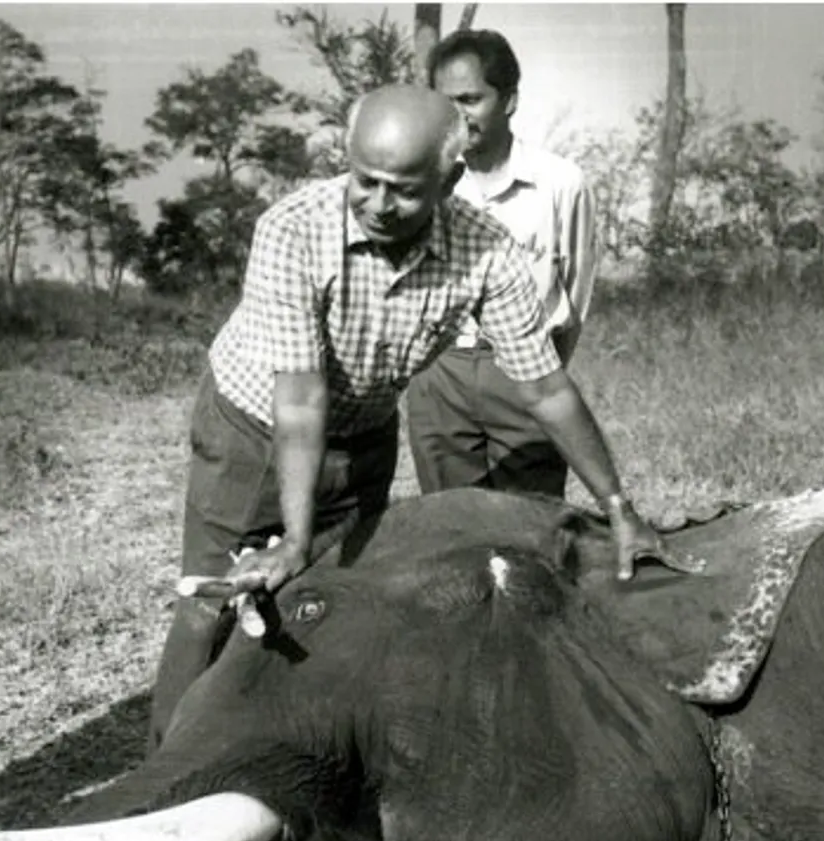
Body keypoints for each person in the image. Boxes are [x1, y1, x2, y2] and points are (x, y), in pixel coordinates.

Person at [147, 84, 702, 752]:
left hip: (364, 432)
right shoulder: (291, 230)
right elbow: (298, 401)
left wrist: (618, 507)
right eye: (366, 181)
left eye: (405, 190)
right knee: (213, 600)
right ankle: (165, 781)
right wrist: (292, 538)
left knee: (325, 602)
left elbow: (545, 388)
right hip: (254, 427)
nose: (380, 205)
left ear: (451, 178)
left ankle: (286, 759)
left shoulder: (487, 252)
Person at [406, 29, 600, 499]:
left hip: (526, 368)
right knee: (453, 526)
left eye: (471, 99)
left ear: (509, 100)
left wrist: (539, 368)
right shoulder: (417, 183)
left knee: (533, 522)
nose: (457, 114)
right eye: (445, 100)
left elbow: (574, 295)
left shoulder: (561, 184)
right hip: (440, 372)